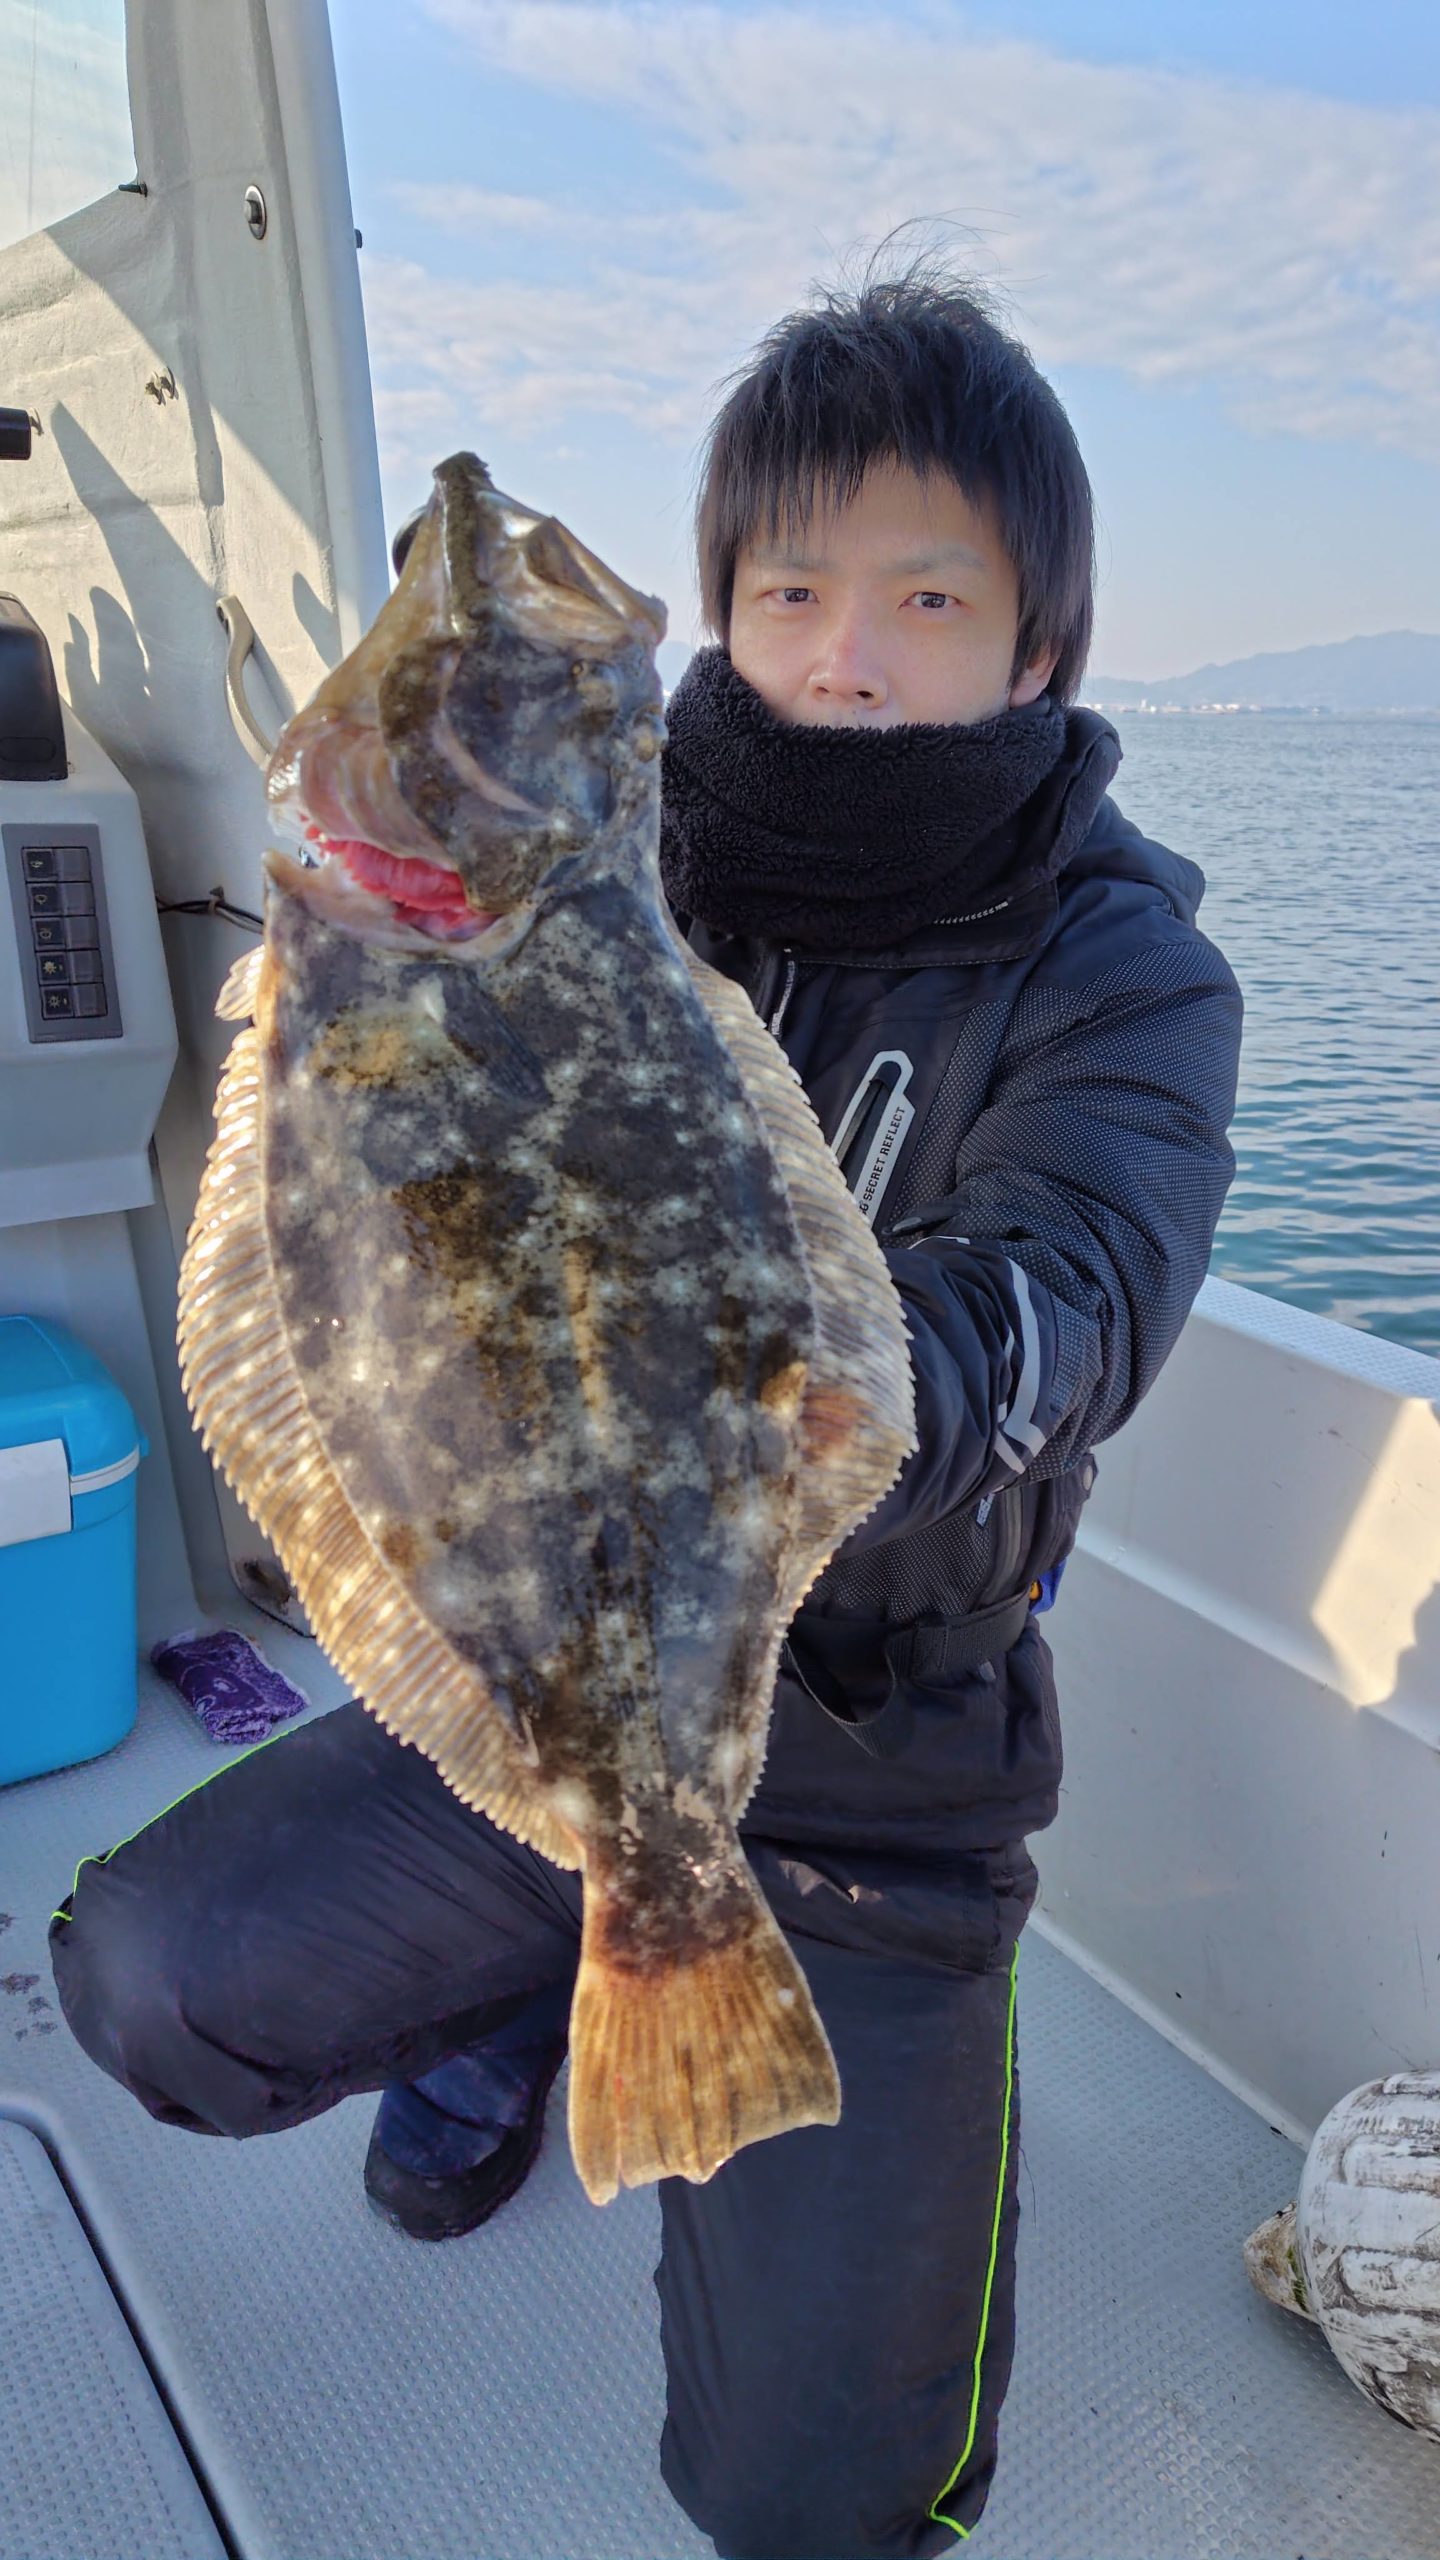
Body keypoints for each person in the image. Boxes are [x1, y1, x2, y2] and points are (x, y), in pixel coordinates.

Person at [49, 262, 1243, 2558]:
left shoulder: (1124, 967)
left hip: (887, 1761)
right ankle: (519, 1983)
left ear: (1040, 647)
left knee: (815, 2504)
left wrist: (818, 1407)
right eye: (789, 591)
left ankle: (624, 1945)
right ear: (723, 620)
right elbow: (351, 1245)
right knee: (147, 1977)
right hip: (536, 1672)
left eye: (924, 593)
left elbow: (1078, 1287)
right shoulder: (615, 848)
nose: (847, 650)